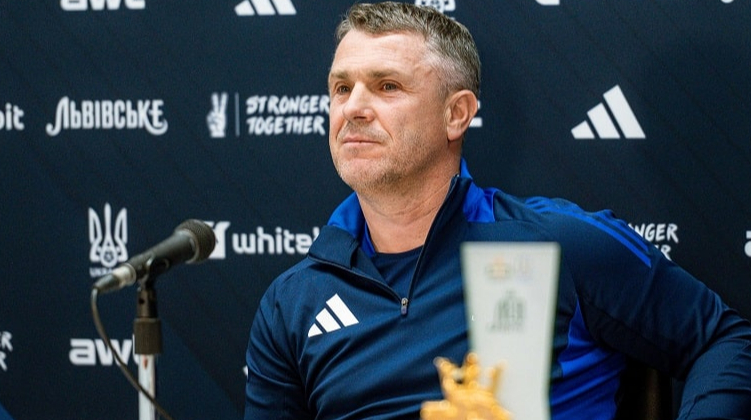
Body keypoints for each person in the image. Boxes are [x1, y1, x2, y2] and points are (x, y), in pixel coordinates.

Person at [244, 2, 751, 419]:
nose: (353, 107)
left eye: (387, 86)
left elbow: (723, 340)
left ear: (456, 114)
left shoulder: (558, 245)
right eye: (341, 88)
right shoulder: (293, 302)